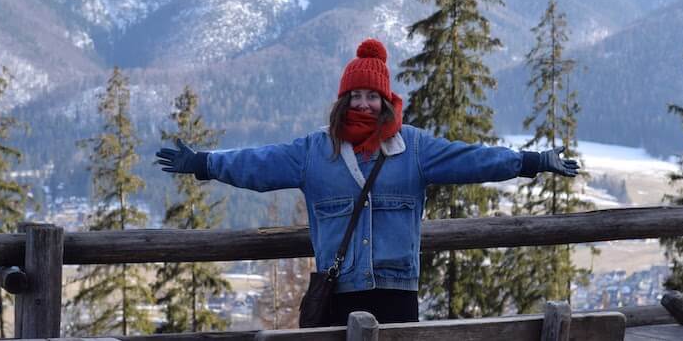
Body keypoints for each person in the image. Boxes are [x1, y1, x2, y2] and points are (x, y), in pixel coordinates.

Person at [156, 38, 579, 325]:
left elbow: (472, 159)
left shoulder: (412, 148)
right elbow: (258, 164)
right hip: (338, 295)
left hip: (397, 296)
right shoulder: (313, 153)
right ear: (343, 100)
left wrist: (531, 160)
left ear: (385, 101)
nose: (362, 103)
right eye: (354, 96)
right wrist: (205, 163)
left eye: (371, 96)